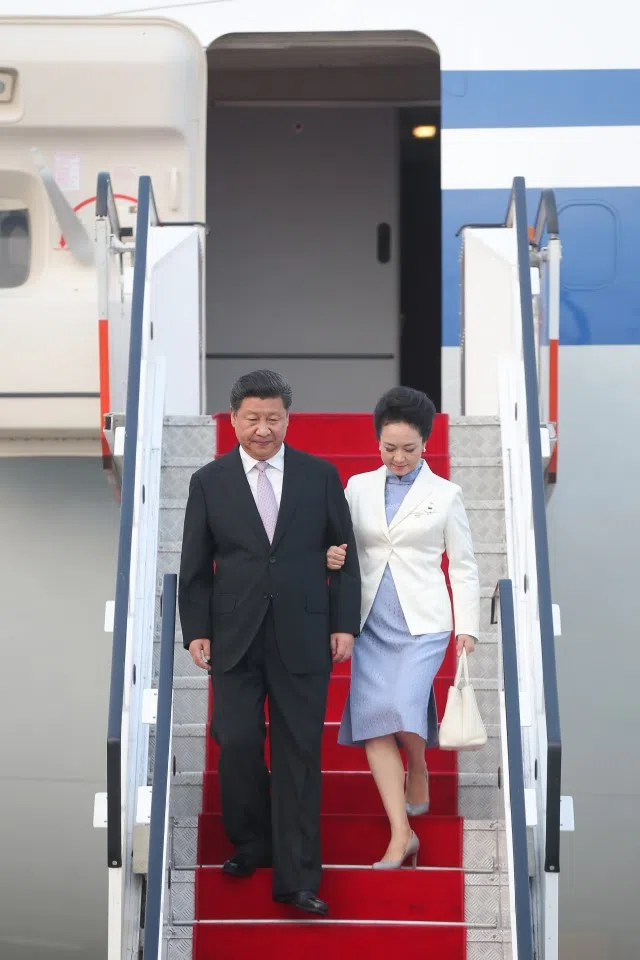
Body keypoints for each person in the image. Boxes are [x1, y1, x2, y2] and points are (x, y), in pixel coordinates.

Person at [178, 370, 361, 916]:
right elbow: (195, 568)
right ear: (233, 419)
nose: (263, 429)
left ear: (288, 419)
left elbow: (346, 556)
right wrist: (197, 631)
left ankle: (298, 878)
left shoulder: (319, 475)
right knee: (234, 742)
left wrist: (343, 622)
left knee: (299, 754)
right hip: (233, 636)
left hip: (303, 634)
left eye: (273, 418)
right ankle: (251, 842)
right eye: (252, 418)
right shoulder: (208, 482)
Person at [326, 386, 479, 869]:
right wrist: (330, 557)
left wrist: (467, 628)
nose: (397, 457)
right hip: (370, 619)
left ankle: (419, 765)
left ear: (425, 444)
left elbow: (464, 565)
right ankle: (400, 834)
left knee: (400, 704)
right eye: (388, 447)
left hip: (424, 622)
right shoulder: (357, 487)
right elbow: (341, 544)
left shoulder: (445, 494)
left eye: (408, 448)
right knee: (375, 724)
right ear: (377, 443)